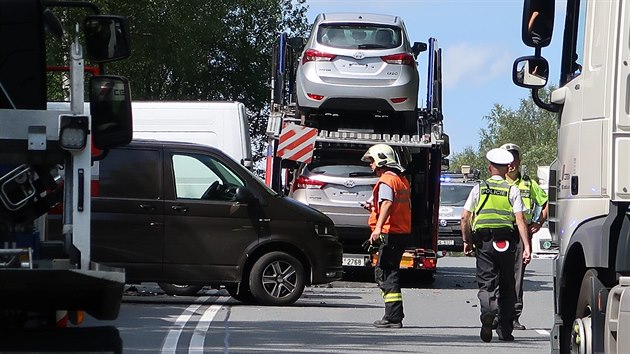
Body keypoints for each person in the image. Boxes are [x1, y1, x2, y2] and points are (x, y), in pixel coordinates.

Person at [461, 148, 532, 342]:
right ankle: (505, 330)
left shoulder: (479, 188)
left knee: (487, 282)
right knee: (508, 285)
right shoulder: (512, 189)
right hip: (507, 241)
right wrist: (526, 247)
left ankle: (488, 312)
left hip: (484, 241)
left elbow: (465, 217)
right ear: (507, 169)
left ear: (489, 167)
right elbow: (520, 219)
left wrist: (467, 241)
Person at [361, 144, 412, 328]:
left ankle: (393, 317)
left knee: (385, 272)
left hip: (391, 232)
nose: (371, 165)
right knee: (389, 270)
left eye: (372, 161)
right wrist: (374, 208)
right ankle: (394, 314)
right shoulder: (400, 179)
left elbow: (388, 204)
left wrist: (378, 228)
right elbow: (394, 206)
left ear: (381, 160)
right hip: (400, 232)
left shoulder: (386, 181)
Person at [500, 143, 548, 330]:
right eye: (507, 159)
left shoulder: (528, 184)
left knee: (517, 276)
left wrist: (539, 222)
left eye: (514, 159)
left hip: (522, 234)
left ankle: (513, 316)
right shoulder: (498, 182)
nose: (511, 164)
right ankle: (497, 313)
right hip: (502, 232)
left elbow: (545, 203)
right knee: (498, 274)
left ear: (519, 161)